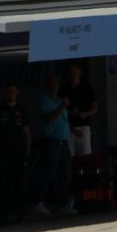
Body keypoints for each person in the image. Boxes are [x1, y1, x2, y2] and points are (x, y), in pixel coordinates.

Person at [28, 73, 76, 219]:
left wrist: (73, 130)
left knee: (65, 173)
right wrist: (62, 106)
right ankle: (37, 201)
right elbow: (48, 118)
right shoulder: (45, 101)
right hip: (51, 141)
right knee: (48, 172)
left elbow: (62, 120)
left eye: (56, 84)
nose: (55, 87)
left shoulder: (58, 99)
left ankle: (62, 203)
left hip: (63, 141)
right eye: (52, 84)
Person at [0, 82, 31, 224]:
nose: (11, 94)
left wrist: (28, 150)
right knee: (4, 185)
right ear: (5, 93)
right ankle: (4, 215)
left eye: (14, 91)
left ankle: (21, 214)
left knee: (21, 185)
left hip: (19, 152)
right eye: (9, 91)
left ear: (17, 93)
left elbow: (27, 131)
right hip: (4, 153)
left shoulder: (22, 110)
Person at [62, 63, 99, 157]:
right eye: (71, 72)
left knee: (85, 158)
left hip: (83, 127)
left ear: (80, 72)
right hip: (69, 128)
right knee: (69, 157)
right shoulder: (64, 89)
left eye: (75, 71)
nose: (73, 74)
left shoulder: (86, 88)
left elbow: (95, 108)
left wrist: (86, 114)